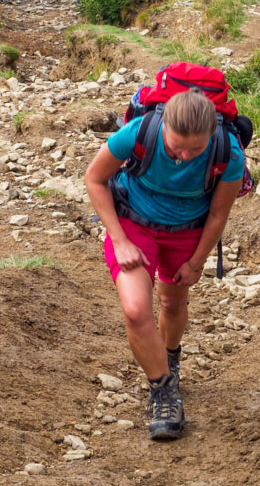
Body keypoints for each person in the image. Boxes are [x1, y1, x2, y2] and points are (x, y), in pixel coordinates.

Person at [84, 88, 244, 441]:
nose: (185, 157)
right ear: (163, 126)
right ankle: (164, 392)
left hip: (187, 232)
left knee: (172, 303)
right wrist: (120, 240)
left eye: (195, 150)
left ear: (211, 138)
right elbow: (94, 179)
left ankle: (170, 357)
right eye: (176, 148)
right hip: (133, 224)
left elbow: (219, 214)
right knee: (136, 310)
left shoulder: (228, 152)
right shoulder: (138, 131)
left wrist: (197, 263)